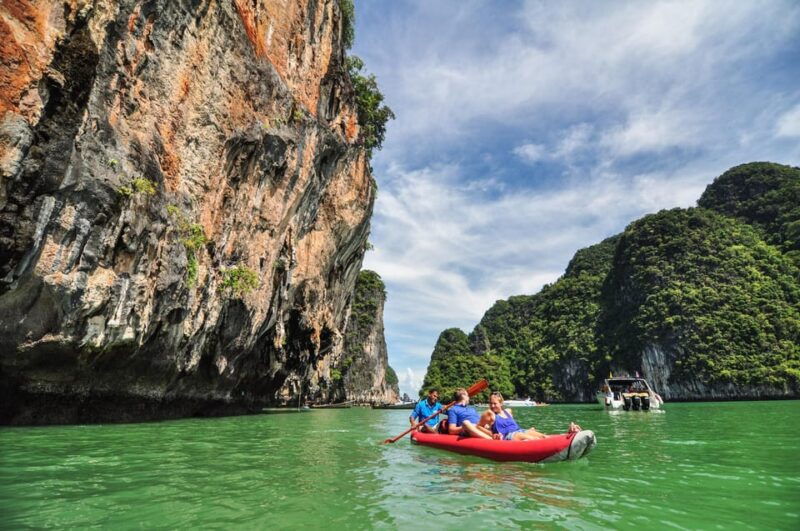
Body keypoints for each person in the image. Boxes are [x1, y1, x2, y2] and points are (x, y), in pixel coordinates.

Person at [479, 392, 582, 441]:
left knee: (543, 436)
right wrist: (491, 433)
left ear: (501, 403)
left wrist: (528, 429)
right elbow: (478, 427)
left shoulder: (508, 411)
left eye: (495, 403)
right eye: (490, 403)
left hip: (520, 430)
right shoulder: (489, 414)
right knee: (533, 439)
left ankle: (569, 434)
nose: (492, 406)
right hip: (509, 436)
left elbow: (512, 425)